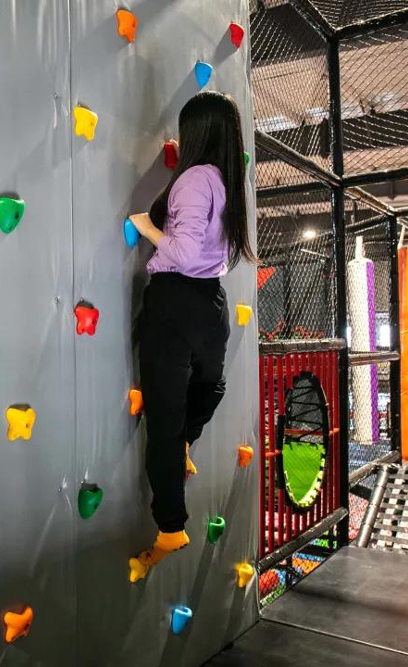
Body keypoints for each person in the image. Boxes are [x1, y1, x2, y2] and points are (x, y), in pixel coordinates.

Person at [126, 91, 258, 583]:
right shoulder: (226, 181)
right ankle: (187, 442)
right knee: (210, 385)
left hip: (175, 301)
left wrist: (145, 226)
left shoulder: (194, 179)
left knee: (164, 421)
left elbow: (180, 253)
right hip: (211, 303)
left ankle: (169, 528)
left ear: (197, 132)